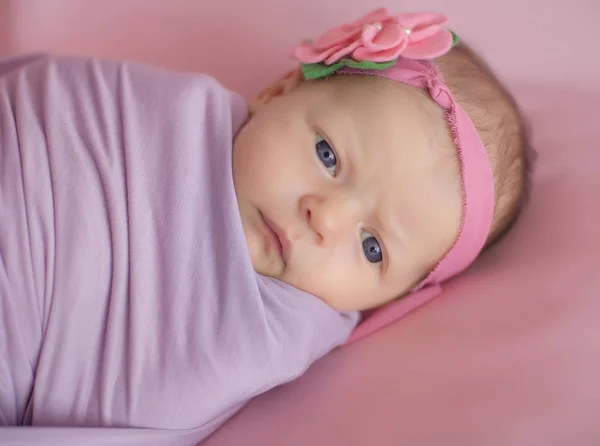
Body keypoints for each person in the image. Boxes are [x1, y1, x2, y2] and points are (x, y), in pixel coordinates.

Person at [0, 8, 531, 439]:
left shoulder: (265, 336)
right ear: (278, 93)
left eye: (373, 249)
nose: (325, 217)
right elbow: (52, 108)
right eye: (328, 155)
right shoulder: (159, 115)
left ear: (387, 300)